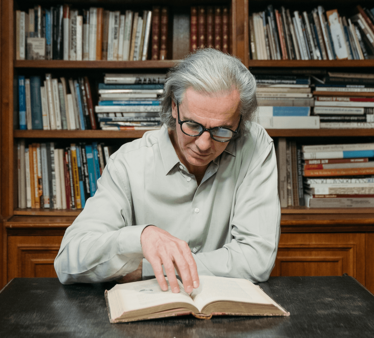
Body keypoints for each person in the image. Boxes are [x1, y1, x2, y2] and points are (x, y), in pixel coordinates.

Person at [54, 48, 281, 294]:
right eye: (192, 125)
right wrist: (141, 237)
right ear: (174, 107)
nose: (204, 144)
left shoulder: (255, 146)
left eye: (222, 131)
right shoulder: (129, 162)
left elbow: (256, 260)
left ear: (241, 121)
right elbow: (68, 262)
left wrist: (147, 269)